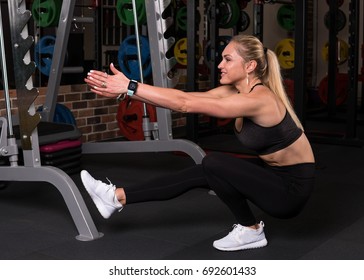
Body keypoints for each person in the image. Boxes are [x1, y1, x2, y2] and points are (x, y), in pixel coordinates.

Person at [82, 34, 315, 251]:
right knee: (205, 170)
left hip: (289, 193)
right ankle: (116, 197)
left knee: (214, 162)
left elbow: (184, 104)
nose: (220, 64)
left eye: (227, 59)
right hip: (272, 176)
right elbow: (186, 100)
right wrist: (128, 91)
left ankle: (250, 229)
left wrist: (131, 86)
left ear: (250, 66)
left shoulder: (260, 99)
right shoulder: (233, 92)